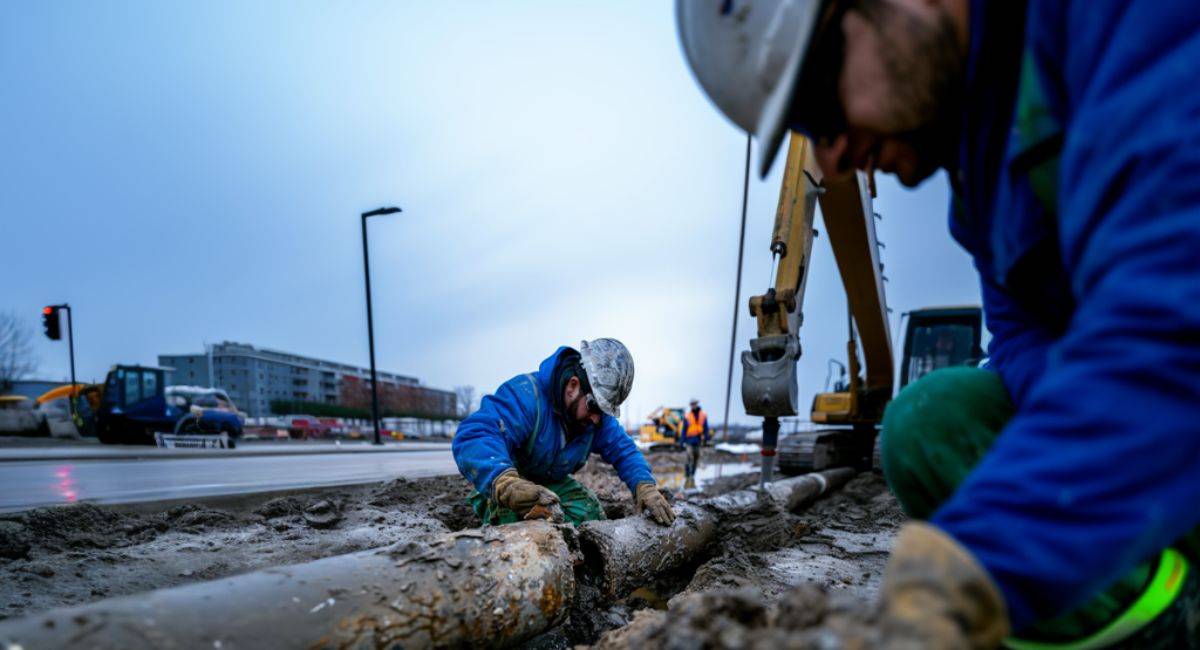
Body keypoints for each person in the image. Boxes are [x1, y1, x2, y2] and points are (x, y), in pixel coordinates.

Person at [677, 0, 1200, 646]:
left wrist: (985, 553)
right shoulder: (980, 183)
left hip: (1174, 385)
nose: (833, 160)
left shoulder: (1107, 22)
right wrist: (1072, 431)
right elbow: (1018, 340)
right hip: (1143, 414)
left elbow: (1175, 304)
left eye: (818, 96)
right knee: (927, 423)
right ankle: (1145, 579)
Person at [452, 339, 675, 527]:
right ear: (573, 386)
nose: (597, 418)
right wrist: (504, 483)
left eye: (604, 412)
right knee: (517, 522)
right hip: (508, 483)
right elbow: (476, 434)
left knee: (589, 513)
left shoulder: (596, 421)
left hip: (550, 484)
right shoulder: (528, 396)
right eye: (595, 407)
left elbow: (624, 451)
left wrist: (644, 486)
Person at [682, 398, 709, 478]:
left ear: (697, 404)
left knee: (696, 457)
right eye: (692, 404)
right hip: (689, 439)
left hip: (698, 439)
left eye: (694, 404)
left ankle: (693, 473)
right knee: (689, 456)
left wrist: (706, 438)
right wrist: (682, 441)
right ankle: (687, 474)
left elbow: (705, 427)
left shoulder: (703, 415)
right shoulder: (687, 415)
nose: (693, 405)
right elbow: (684, 429)